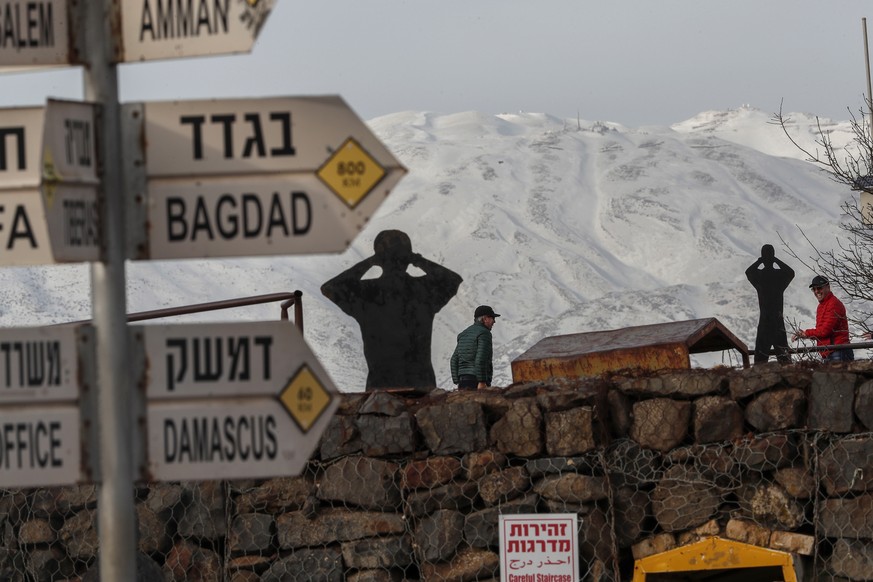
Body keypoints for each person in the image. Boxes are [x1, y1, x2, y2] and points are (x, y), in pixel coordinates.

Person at [321, 229, 462, 391]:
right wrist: (417, 260)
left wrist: (369, 262)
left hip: (380, 384)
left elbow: (331, 288)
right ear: (407, 258)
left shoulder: (367, 293)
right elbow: (452, 280)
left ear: (380, 259)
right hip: (421, 383)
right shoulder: (423, 290)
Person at [745, 244, 794, 363]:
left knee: (760, 359)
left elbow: (749, 272)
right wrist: (776, 260)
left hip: (765, 321)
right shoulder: (779, 275)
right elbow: (790, 272)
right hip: (777, 321)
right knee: (784, 359)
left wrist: (760, 261)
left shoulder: (759, 275)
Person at [792, 275, 854, 362]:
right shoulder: (822, 306)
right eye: (814, 289)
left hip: (838, 351)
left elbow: (825, 331)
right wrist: (804, 334)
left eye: (819, 288)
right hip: (830, 351)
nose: (817, 291)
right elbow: (821, 331)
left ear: (828, 287)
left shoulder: (833, 304)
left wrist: (806, 333)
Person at [451, 305, 500, 390]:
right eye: (492, 318)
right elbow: (481, 358)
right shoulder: (484, 333)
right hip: (477, 381)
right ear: (485, 319)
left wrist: (457, 381)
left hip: (463, 381)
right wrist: (482, 382)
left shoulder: (463, 334)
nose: (494, 321)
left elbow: (454, 359)